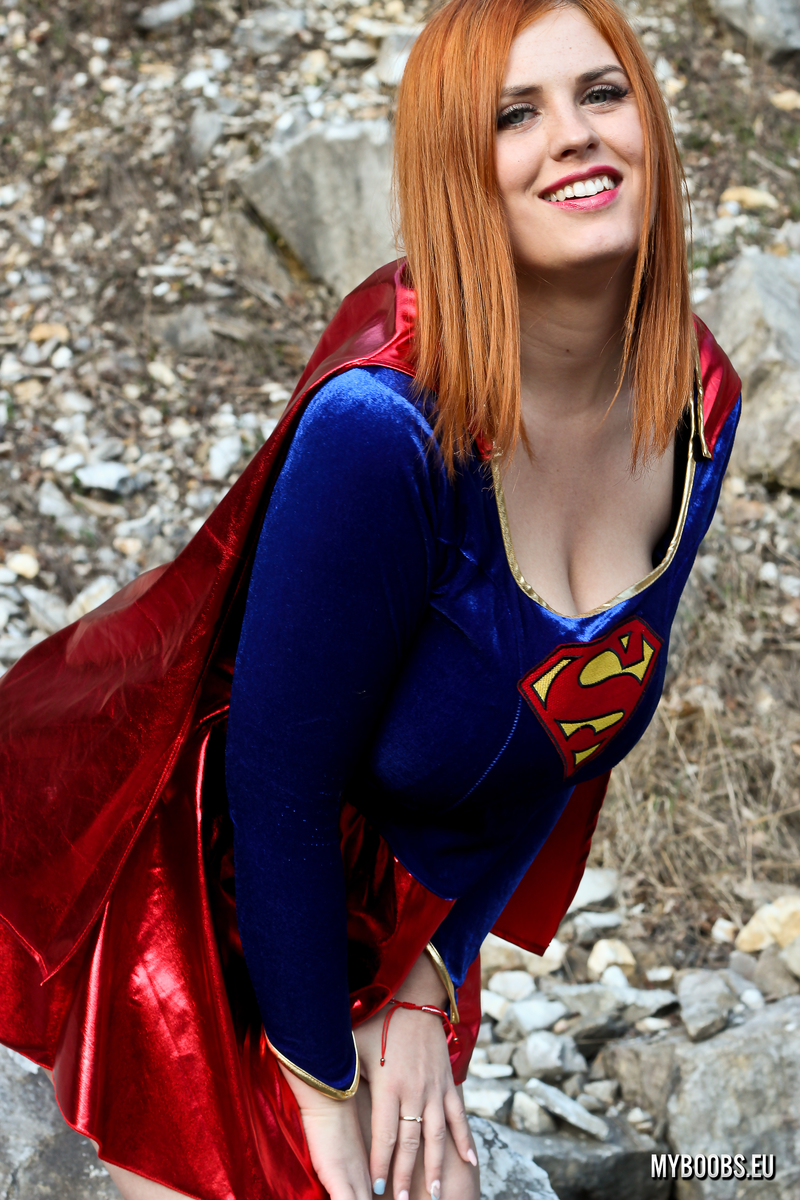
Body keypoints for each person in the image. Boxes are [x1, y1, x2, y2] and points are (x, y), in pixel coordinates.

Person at [0, 0, 741, 1198]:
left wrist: (428, 978)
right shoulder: (384, 430)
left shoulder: (696, 399)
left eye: (600, 93)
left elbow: (566, 727)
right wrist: (320, 1084)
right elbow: (275, 795)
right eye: (513, 115)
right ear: (458, 175)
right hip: (205, 900)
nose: (573, 134)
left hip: (410, 909)